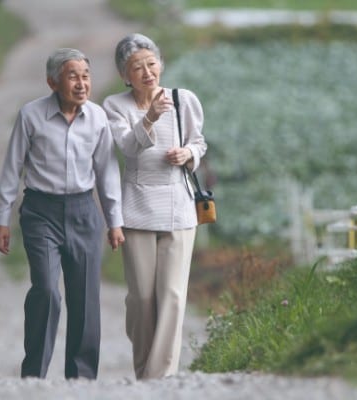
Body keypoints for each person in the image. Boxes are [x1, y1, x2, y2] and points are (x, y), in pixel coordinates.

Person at [0, 48, 124, 380]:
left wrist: (115, 222)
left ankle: (80, 379)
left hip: (83, 210)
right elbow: (12, 169)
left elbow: (107, 172)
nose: (81, 83)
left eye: (85, 75)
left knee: (84, 298)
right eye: (72, 76)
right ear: (52, 82)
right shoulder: (31, 116)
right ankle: (34, 374)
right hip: (41, 212)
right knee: (47, 290)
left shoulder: (97, 118)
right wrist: (1, 219)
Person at [102, 33, 207, 380]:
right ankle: (144, 365)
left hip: (179, 205)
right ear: (125, 75)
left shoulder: (183, 98)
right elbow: (127, 148)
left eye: (151, 63)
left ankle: (158, 377)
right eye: (137, 67)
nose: (147, 72)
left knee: (173, 295)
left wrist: (188, 154)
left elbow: (198, 141)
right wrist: (150, 117)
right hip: (136, 208)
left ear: (160, 64)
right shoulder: (115, 106)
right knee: (142, 299)